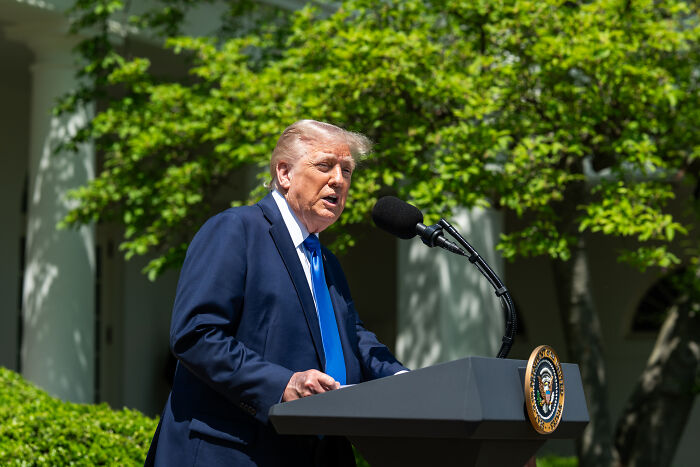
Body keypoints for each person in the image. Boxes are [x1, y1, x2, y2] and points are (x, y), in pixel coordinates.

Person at [146, 120, 408, 466]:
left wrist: (403, 382)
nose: (339, 180)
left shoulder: (325, 261)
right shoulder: (236, 230)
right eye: (325, 165)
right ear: (284, 173)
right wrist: (282, 383)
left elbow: (354, 338)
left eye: (346, 170)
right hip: (232, 451)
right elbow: (196, 335)